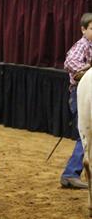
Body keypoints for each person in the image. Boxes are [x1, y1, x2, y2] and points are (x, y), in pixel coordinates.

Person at [60, 12, 92, 189]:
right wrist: (88, 67)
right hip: (79, 95)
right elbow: (69, 63)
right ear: (83, 29)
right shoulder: (82, 45)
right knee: (85, 135)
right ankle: (70, 173)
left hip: (87, 94)